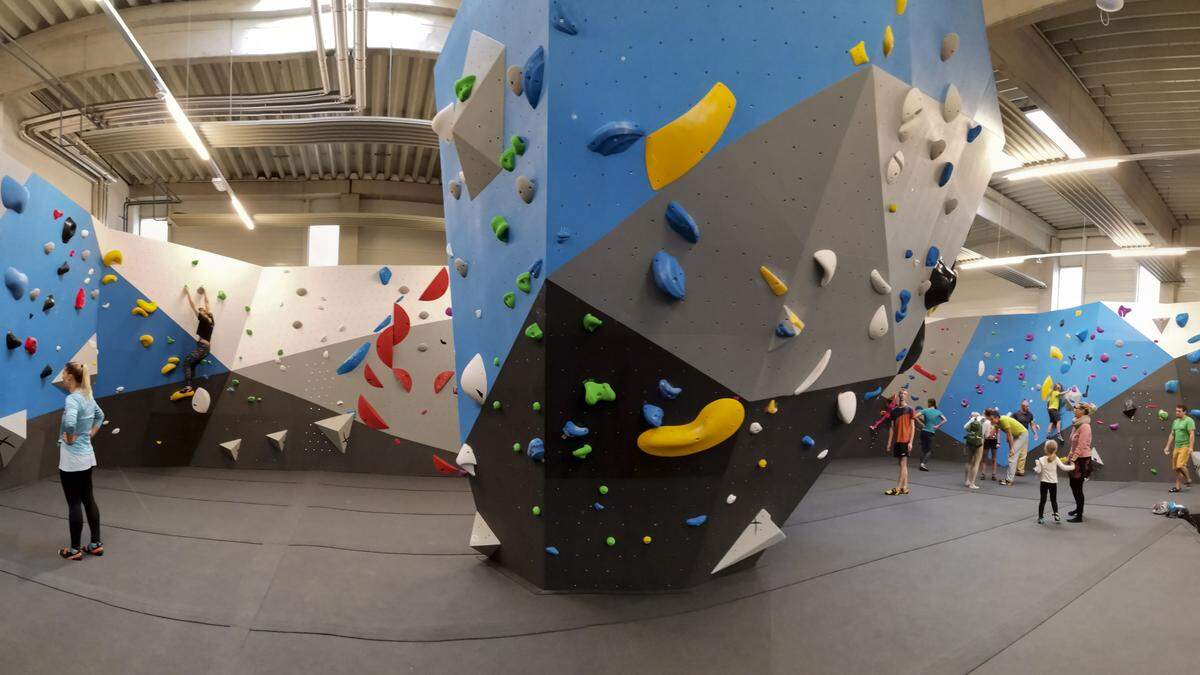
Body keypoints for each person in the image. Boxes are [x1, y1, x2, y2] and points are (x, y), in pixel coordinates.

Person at [57, 362, 105, 560]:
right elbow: (100, 416)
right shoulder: (88, 397)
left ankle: (75, 550)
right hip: (87, 457)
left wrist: (70, 437)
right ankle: (95, 544)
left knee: (74, 503)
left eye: (64, 371)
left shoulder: (73, 399)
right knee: (88, 499)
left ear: (69, 376)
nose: (62, 373)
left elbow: (70, 423)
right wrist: (89, 434)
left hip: (72, 460)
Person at [174, 285, 215, 400]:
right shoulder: (210, 319)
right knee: (191, 366)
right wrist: (205, 291)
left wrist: (187, 292)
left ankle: (188, 387)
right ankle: (190, 386)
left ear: (204, 312)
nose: (200, 308)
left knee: (187, 362)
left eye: (201, 309)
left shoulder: (203, 318)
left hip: (203, 347)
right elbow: (207, 303)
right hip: (205, 349)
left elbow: (192, 305)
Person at [1065, 402, 1094, 523]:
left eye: (1076, 408)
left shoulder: (1085, 426)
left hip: (1081, 460)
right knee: (1073, 485)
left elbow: (1082, 445)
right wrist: (1069, 456)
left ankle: (1079, 515)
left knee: (1078, 486)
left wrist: (1074, 458)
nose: (1074, 410)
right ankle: (1078, 508)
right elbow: (1073, 443)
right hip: (1075, 458)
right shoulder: (1076, 424)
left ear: (1082, 411)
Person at [884, 389, 916, 496]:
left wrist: (910, 442)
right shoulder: (894, 411)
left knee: (902, 464)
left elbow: (913, 427)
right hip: (897, 441)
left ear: (907, 396)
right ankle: (905, 487)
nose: (902, 395)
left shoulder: (910, 409)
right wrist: (889, 443)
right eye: (900, 393)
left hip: (905, 440)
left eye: (904, 393)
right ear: (898, 396)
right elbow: (892, 428)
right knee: (902, 465)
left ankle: (897, 488)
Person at [1032, 440, 1074, 524]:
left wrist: (1037, 465)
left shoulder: (1041, 459)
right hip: (1053, 483)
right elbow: (1064, 468)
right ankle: (1056, 516)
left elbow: (1038, 471)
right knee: (1054, 500)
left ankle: (1040, 517)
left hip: (1044, 482)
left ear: (1045, 449)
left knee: (1042, 500)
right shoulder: (1056, 458)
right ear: (1055, 450)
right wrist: (1073, 466)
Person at [989, 409, 1028, 486]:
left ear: (997, 417)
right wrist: (984, 437)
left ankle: (1009, 480)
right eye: (990, 420)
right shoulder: (998, 423)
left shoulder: (1003, 420)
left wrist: (1012, 448)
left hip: (1022, 434)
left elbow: (1009, 435)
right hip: (1017, 435)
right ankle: (1008, 479)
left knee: (1012, 456)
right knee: (1012, 456)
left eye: (992, 419)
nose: (991, 421)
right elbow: (991, 433)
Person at [1163, 405, 1195, 494]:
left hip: (1185, 446)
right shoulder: (1175, 421)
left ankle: (1188, 479)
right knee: (1176, 468)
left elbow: (1192, 435)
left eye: (1179, 411)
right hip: (1177, 447)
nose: (1177, 412)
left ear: (1184, 412)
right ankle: (1177, 488)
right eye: (1176, 411)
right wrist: (1167, 446)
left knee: (1180, 465)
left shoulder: (1189, 421)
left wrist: (1191, 447)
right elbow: (1172, 434)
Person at [1011, 400, 1040, 476]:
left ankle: (1020, 470)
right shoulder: (1016, 414)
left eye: (1028, 406)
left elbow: (1032, 424)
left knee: (1023, 454)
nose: (1028, 407)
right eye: (1026, 406)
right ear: (1022, 406)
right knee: (1015, 453)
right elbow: (1011, 424)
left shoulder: (1030, 414)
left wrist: (1035, 433)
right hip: (1017, 435)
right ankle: (1012, 469)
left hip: (1025, 436)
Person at [917, 398, 946, 472]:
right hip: (930, 432)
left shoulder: (925, 410)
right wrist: (937, 426)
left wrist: (920, 423)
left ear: (929, 403)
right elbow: (945, 420)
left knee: (923, 449)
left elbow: (914, 416)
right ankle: (923, 464)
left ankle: (921, 463)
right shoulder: (938, 412)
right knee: (929, 451)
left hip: (923, 431)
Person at [963, 411, 987, 490]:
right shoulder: (987, 422)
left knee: (968, 461)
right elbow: (986, 435)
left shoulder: (974, 419)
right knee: (976, 463)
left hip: (969, 441)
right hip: (979, 442)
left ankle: (967, 481)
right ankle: (972, 483)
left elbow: (965, 427)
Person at [982, 407, 1001, 482]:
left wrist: (998, 442)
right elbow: (983, 433)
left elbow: (998, 433)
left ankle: (994, 474)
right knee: (984, 458)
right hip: (986, 440)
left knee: (994, 458)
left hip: (994, 441)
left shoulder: (996, 422)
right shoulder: (986, 422)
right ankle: (983, 474)